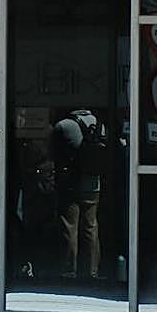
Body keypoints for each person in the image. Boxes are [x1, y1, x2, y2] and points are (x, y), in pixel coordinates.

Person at [52, 109, 104, 280]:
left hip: (71, 183)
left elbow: (53, 153)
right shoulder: (99, 124)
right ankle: (92, 270)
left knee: (69, 226)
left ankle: (68, 270)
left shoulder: (63, 125)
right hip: (93, 182)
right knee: (91, 226)